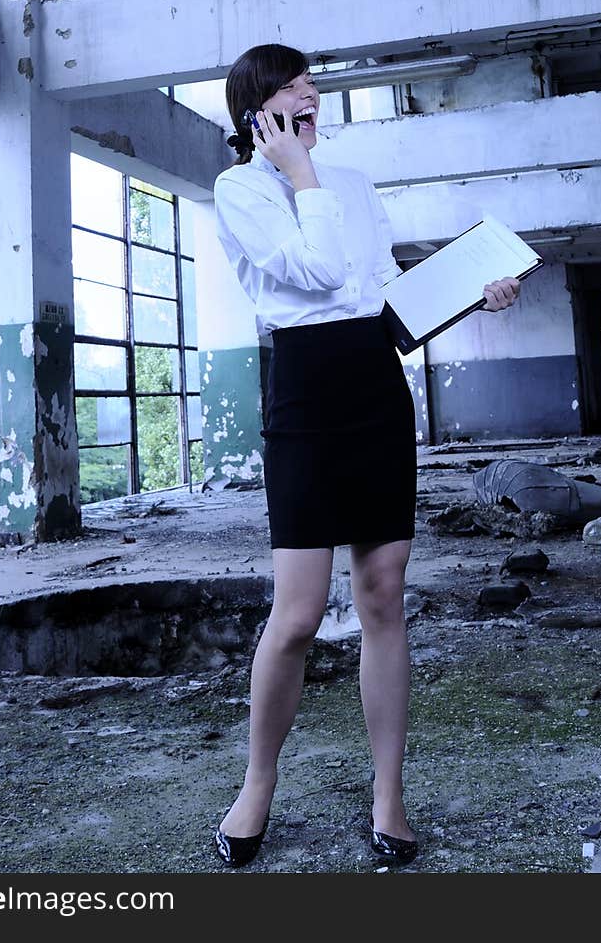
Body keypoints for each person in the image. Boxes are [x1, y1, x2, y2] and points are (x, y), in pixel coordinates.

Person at [212, 43, 520, 869]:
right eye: (293, 90)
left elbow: (382, 299)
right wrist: (298, 174)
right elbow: (310, 271)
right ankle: (258, 781)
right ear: (257, 112)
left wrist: (468, 292)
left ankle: (389, 792)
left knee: (384, 595)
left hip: (375, 390)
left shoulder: (349, 184)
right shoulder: (241, 188)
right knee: (299, 613)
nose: (312, 97)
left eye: (313, 86)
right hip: (305, 395)